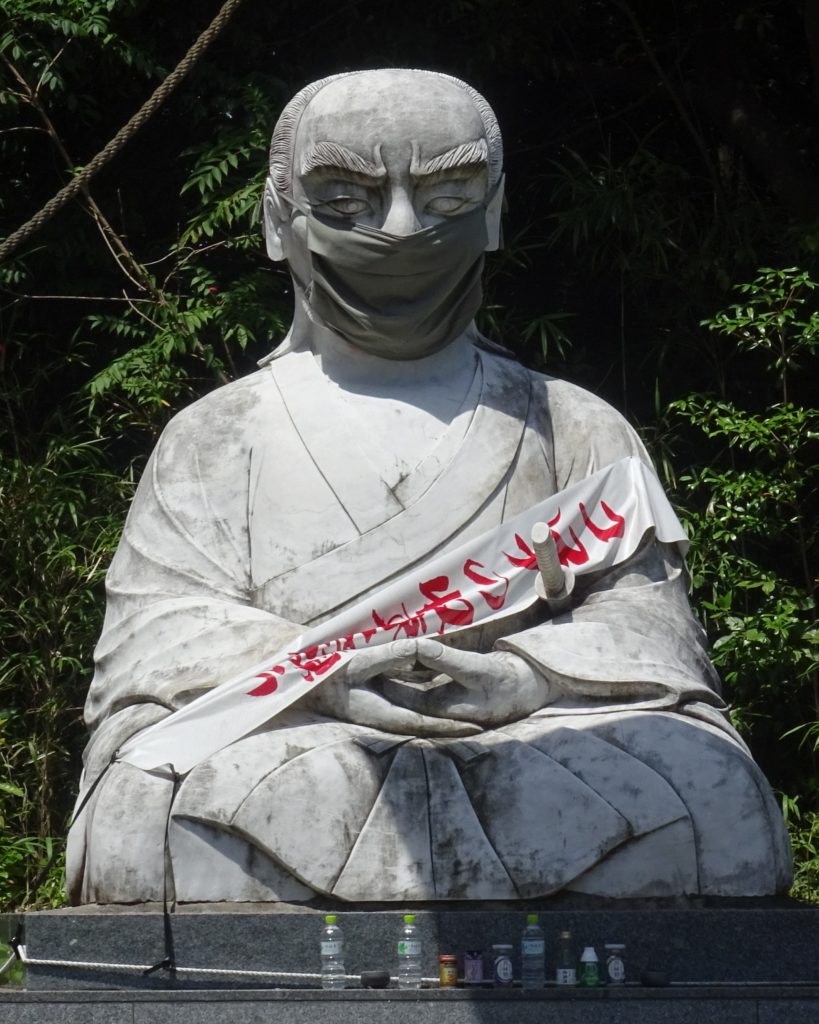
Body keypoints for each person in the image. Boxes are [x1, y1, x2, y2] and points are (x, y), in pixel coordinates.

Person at [67, 68, 791, 904]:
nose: (403, 230)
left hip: (536, 730)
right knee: (145, 809)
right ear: (276, 219)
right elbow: (160, 628)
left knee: (714, 790)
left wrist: (529, 673)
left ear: (494, 211)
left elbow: (647, 622)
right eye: (346, 200)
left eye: (447, 197)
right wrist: (322, 674)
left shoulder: (567, 422)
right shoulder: (218, 434)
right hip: (294, 730)